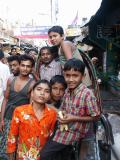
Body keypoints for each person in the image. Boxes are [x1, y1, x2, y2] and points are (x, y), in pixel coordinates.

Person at [40, 58, 100, 160]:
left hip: (74, 132)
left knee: (44, 154)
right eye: (68, 75)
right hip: (63, 127)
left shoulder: (87, 94)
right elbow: (63, 109)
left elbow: (96, 116)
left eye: (75, 76)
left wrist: (73, 118)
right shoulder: (67, 91)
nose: (71, 79)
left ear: (83, 76)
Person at [6, 80, 57, 160]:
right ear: (32, 93)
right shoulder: (20, 111)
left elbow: (51, 137)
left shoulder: (52, 114)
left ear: (49, 96)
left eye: (46, 91)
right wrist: (11, 153)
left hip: (43, 156)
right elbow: (12, 135)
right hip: (23, 156)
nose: (42, 93)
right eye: (39, 89)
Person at [0, 54, 35, 158]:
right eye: (23, 65)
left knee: (18, 145)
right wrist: (1, 119)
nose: (25, 68)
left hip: (21, 119)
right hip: (8, 117)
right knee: (6, 144)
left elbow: (31, 106)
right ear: (19, 65)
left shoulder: (33, 84)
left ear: (31, 68)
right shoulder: (11, 80)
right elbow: (6, 99)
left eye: (28, 66)